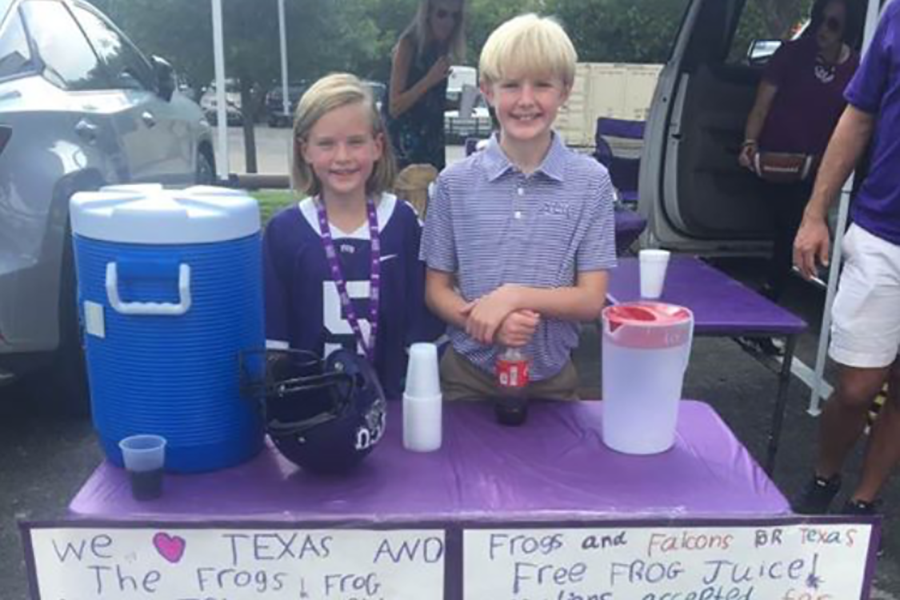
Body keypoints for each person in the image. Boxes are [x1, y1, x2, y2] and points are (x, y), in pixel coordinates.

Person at [420, 14, 616, 401]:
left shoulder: (591, 183)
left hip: (552, 381)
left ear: (564, 90)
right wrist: (484, 322)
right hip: (466, 377)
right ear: (487, 91)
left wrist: (513, 296)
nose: (526, 100)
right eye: (511, 85)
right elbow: (436, 290)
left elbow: (591, 299)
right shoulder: (453, 183)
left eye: (542, 85)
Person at [263, 73, 439, 400]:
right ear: (305, 150)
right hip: (311, 415)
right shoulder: (284, 232)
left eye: (355, 142)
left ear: (377, 146)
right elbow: (275, 342)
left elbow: (421, 330)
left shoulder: (402, 223)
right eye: (326, 143)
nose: (342, 157)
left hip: (392, 406)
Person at [792, 3, 900, 518]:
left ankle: (863, 501)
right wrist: (816, 213)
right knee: (856, 388)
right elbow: (858, 116)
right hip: (884, 234)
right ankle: (825, 475)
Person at [738, 0, 859, 310]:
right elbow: (761, 105)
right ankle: (772, 299)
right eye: (819, 19)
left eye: (832, 24)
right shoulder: (789, 54)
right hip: (778, 164)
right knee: (790, 227)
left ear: (847, 29)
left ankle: (781, 296)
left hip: (824, 168)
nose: (822, 29)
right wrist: (749, 144)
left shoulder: (856, 68)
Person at [385, 0, 466, 171]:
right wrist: (430, 79)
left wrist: (460, 104)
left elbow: (429, 102)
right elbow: (395, 106)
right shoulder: (408, 45)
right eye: (442, 14)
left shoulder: (440, 50)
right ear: (428, 14)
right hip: (404, 150)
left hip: (432, 146)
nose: (448, 22)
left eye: (455, 16)